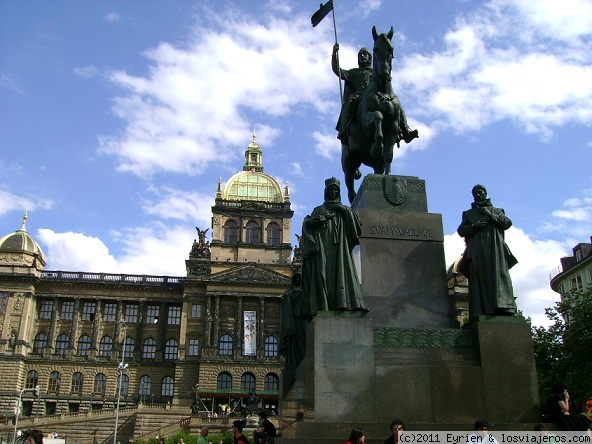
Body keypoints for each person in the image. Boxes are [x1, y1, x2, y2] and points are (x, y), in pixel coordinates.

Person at [301, 177, 368, 315]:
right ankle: (324, 305)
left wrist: (343, 210)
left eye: (336, 190)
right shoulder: (318, 210)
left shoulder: (344, 210)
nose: (333, 192)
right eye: (331, 189)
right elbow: (308, 225)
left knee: (343, 272)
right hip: (323, 248)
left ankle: (347, 303)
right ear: (326, 191)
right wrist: (316, 220)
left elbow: (356, 227)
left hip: (340, 249)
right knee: (323, 274)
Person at [457, 185, 518, 321]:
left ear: (485, 193)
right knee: (478, 278)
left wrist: (490, 215)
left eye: (481, 192)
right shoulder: (468, 214)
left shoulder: (497, 211)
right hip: (477, 250)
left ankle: (504, 307)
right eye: (476, 193)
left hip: (495, 249)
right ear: (473, 195)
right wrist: (474, 227)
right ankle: (480, 310)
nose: (479, 194)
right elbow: (461, 231)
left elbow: (506, 223)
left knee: (499, 276)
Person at [332, 44, 373, 142]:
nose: (362, 56)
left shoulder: (375, 72)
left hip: (374, 96)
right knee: (350, 101)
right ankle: (345, 129)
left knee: (392, 100)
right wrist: (334, 54)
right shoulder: (353, 73)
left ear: (370, 58)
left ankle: (404, 128)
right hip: (358, 96)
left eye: (365, 54)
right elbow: (337, 71)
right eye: (360, 55)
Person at [279, 272, 311, 369]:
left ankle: (304, 362)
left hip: (303, 320)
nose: (298, 280)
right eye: (296, 278)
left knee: (305, 343)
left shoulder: (305, 292)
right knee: (295, 344)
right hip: (294, 322)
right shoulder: (288, 293)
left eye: (300, 278)